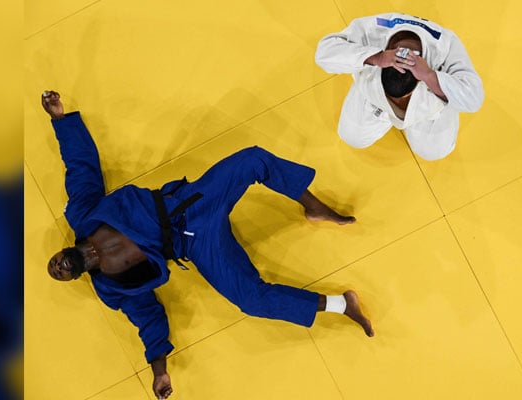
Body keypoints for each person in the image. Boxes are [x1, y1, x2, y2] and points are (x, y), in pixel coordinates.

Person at [40, 91, 374, 399]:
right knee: (250, 300)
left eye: (54, 264)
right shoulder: (110, 286)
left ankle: (313, 205)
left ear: (60, 252)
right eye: (60, 275)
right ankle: (342, 305)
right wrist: (160, 372)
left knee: (253, 160)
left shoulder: (83, 214)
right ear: (74, 277)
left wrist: (60, 119)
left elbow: (80, 168)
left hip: (191, 203)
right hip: (196, 246)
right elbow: (146, 316)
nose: (58, 268)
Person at [315, 12, 485, 161]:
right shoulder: (372, 30)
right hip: (373, 95)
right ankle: (380, 103)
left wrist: (429, 75)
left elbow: (474, 99)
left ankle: (432, 101)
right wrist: (375, 57)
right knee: (352, 136)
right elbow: (323, 53)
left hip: (429, 105)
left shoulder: (446, 46)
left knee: (433, 151)